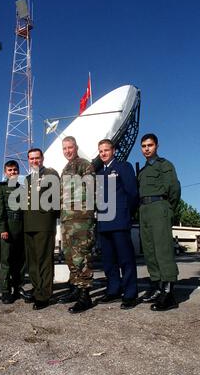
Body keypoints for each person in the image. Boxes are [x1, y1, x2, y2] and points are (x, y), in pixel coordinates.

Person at [138, 133, 181, 311]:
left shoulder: (165, 165)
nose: (146, 149)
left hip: (159, 207)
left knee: (163, 250)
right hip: (144, 210)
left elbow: (174, 189)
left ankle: (169, 293)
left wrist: (167, 209)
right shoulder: (141, 171)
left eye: (150, 145)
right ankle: (157, 287)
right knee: (149, 250)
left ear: (156, 146)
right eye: (144, 146)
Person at [95, 139, 139, 309]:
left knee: (125, 259)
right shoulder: (99, 173)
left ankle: (130, 293)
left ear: (113, 150)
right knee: (108, 260)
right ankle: (113, 289)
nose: (103, 153)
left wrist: (126, 213)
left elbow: (132, 194)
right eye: (101, 151)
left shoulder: (123, 167)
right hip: (104, 222)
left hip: (120, 221)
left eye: (106, 150)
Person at [59, 136, 95, 313]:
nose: (67, 151)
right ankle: (75, 288)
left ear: (76, 147)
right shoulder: (65, 169)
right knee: (69, 255)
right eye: (64, 148)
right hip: (66, 219)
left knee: (81, 255)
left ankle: (85, 295)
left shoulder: (84, 165)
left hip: (81, 219)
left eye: (70, 147)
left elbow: (91, 189)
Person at [23, 148, 60, 310]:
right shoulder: (27, 178)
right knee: (32, 262)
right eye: (31, 159)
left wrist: (49, 216)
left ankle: (44, 295)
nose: (34, 161)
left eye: (37, 158)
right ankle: (37, 289)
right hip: (28, 224)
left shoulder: (50, 174)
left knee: (44, 260)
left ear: (42, 158)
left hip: (44, 223)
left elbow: (57, 197)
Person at [0, 160, 32, 304]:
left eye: (15, 170)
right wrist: (2, 229)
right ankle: (5, 291)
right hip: (7, 229)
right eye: (10, 170)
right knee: (6, 261)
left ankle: (18, 288)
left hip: (21, 229)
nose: (13, 172)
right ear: (5, 172)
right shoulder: (1, 188)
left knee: (21, 261)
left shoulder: (22, 189)